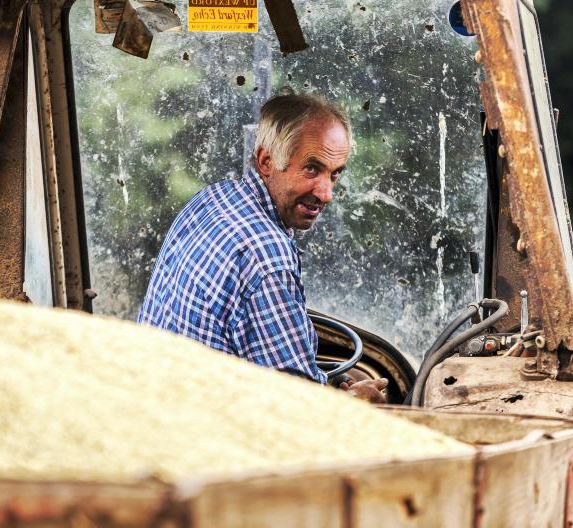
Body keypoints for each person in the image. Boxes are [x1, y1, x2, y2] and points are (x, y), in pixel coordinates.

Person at [137, 93, 387, 403]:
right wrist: (356, 402)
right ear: (267, 162)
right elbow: (299, 410)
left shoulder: (212, 199)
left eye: (334, 174)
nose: (326, 194)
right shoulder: (266, 256)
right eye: (312, 169)